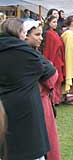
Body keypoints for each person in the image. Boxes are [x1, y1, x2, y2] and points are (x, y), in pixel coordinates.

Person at [0, 19, 50, 159]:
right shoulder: (26, 53)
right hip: (26, 109)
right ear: (20, 33)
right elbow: (46, 70)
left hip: (4, 107)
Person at [24, 21, 61, 160]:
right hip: (37, 101)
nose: (41, 38)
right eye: (37, 34)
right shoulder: (28, 57)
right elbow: (50, 79)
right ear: (25, 36)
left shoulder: (34, 53)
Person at [42, 15, 65, 105]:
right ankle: (53, 99)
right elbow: (49, 48)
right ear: (49, 23)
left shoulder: (54, 33)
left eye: (56, 22)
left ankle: (57, 99)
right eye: (53, 22)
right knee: (54, 78)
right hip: (53, 57)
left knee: (58, 78)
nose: (55, 24)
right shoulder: (49, 34)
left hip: (57, 57)